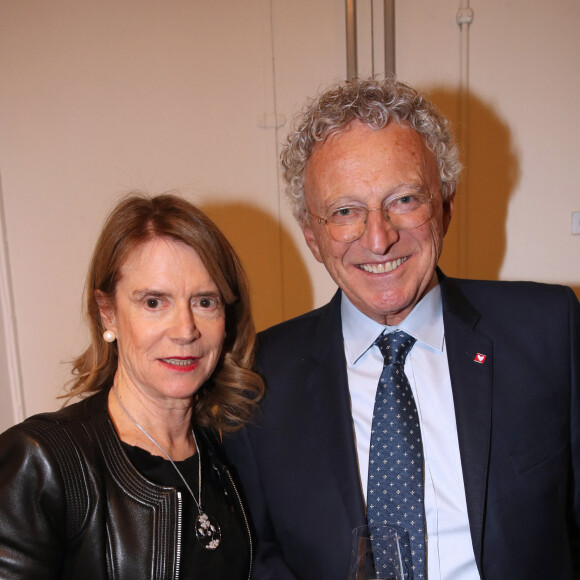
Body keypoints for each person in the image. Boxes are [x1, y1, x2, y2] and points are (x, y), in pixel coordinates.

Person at [224, 77, 580, 580]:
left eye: (405, 200)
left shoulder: (548, 329)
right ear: (312, 235)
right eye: (345, 211)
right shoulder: (259, 377)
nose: (379, 238)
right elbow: (257, 555)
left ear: (445, 207)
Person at [0, 193, 264, 579]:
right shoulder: (42, 463)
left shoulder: (224, 455)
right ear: (107, 313)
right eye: (154, 302)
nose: (186, 330)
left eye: (205, 301)